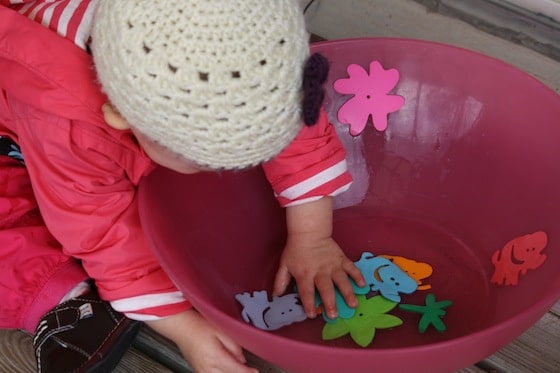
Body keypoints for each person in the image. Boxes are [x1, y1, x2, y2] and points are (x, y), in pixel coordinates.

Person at [0, 0, 365, 372]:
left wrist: (312, 236)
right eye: (205, 162)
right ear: (121, 118)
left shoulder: (254, 43)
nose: (226, 172)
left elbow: (295, 118)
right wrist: (184, 328)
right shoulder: (66, 129)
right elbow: (100, 228)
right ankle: (60, 297)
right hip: (15, 135)